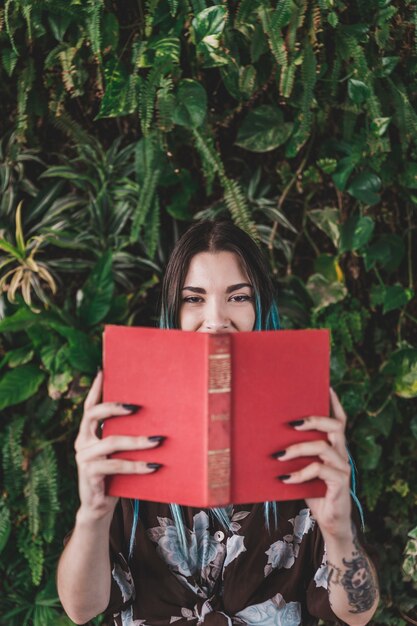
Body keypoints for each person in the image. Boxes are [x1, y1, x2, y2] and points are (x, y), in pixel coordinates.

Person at [57, 220, 379, 626]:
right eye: (194, 298)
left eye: (238, 297)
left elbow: (358, 613)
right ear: (172, 313)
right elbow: (81, 609)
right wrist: (93, 513)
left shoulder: (308, 436)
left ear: (261, 307)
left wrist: (338, 531)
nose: (216, 320)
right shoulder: (129, 431)